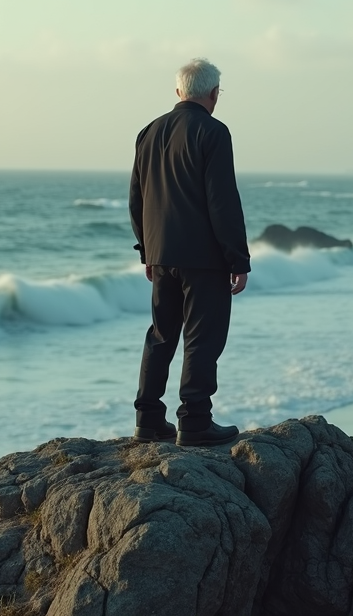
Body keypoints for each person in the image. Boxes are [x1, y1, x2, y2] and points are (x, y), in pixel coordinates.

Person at [128, 58, 250, 446]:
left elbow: (137, 197)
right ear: (214, 94)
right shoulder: (214, 132)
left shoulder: (149, 131)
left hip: (161, 254)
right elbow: (223, 201)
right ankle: (194, 421)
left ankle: (147, 420)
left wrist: (146, 249)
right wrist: (238, 259)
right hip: (204, 258)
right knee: (202, 336)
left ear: (178, 91)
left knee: (161, 334)